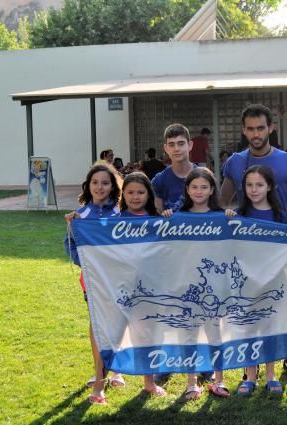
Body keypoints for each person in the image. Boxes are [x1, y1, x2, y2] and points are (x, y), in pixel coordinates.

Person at [161, 167, 225, 401]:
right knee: (188, 335)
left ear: (211, 190)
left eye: (204, 187)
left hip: (213, 290)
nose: (199, 191)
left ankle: (219, 380)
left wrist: (231, 219)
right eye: (194, 186)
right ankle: (191, 383)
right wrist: (167, 220)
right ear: (187, 189)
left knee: (215, 335)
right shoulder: (177, 216)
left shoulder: (221, 216)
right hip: (187, 288)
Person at [63, 163, 125, 405]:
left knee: (118, 324)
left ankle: (117, 370)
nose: (100, 187)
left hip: (118, 280)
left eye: (105, 183)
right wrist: (87, 263)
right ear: (88, 186)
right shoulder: (80, 215)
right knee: (97, 325)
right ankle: (99, 373)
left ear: (113, 187)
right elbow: (70, 244)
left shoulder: (120, 213)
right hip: (92, 280)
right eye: (95, 183)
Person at [225, 165, 285, 396]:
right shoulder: (239, 215)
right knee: (249, 327)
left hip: (272, 282)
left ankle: (271, 374)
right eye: (249, 185)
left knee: (269, 326)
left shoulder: (280, 216)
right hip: (246, 283)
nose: (254, 189)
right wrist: (228, 219)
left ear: (269, 186)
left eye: (259, 184)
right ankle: (250, 374)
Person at [116, 172, 167, 396]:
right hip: (123, 287)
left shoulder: (159, 221)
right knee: (117, 330)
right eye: (130, 192)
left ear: (149, 194)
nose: (135, 197)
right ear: (123, 195)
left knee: (148, 332)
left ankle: (149, 381)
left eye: (140, 192)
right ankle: (114, 372)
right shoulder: (114, 223)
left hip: (151, 287)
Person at [221, 104, 287, 216]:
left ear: (270, 128)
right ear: (244, 130)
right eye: (250, 129)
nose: (256, 134)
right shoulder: (234, 161)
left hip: (278, 230)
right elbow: (221, 203)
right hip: (245, 231)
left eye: (260, 128)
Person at [151, 124, 196, 213]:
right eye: (171, 144)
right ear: (166, 148)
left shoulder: (205, 177)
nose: (176, 149)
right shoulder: (159, 180)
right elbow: (157, 216)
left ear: (190, 145)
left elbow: (215, 211)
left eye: (181, 144)